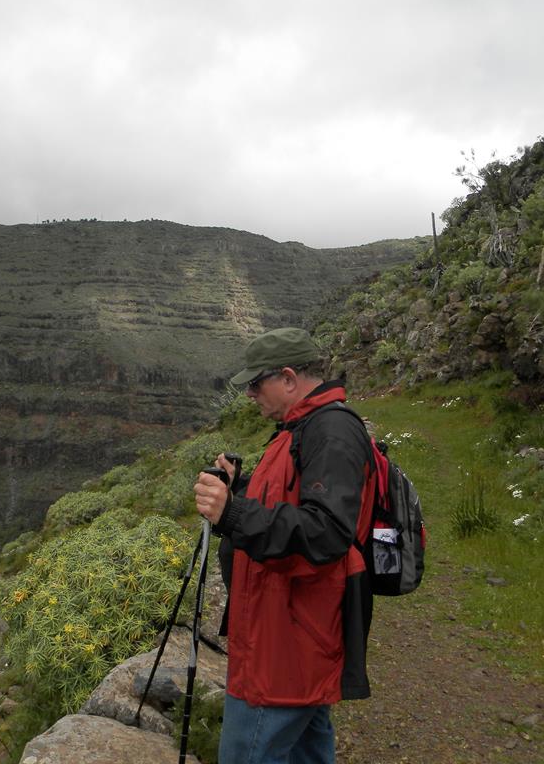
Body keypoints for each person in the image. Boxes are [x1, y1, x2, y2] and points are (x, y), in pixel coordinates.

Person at [193, 327, 374, 764]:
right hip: (285, 634)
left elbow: (326, 531)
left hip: (285, 645)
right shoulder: (299, 426)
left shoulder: (331, 432)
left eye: (257, 383)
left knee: (247, 753)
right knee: (306, 751)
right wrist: (242, 488)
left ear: (289, 378)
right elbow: (293, 502)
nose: (251, 393)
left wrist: (233, 513)